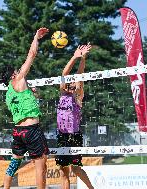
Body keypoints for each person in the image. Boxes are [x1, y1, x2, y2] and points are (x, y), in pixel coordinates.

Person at [0, 27, 49, 189]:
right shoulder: (19, 79)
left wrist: (32, 93)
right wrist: (36, 38)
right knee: (41, 165)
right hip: (31, 130)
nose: (19, 70)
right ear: (13, 75)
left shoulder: (8, 93)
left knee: (14, 163)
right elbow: (31, 55)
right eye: (16, 70)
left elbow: (25, 102)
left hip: (18, 132)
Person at [55, 44, 94, 189]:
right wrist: (74, 56)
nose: (72, 83)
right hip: (62, 135)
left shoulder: (78, 95)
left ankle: (91, 188)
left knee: (75, 169)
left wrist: (83, 58)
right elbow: (64, 74)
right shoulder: (63, 93)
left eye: (74, 82)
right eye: (70, 82)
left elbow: (80, 74)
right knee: (63, 171)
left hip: (74, 135)